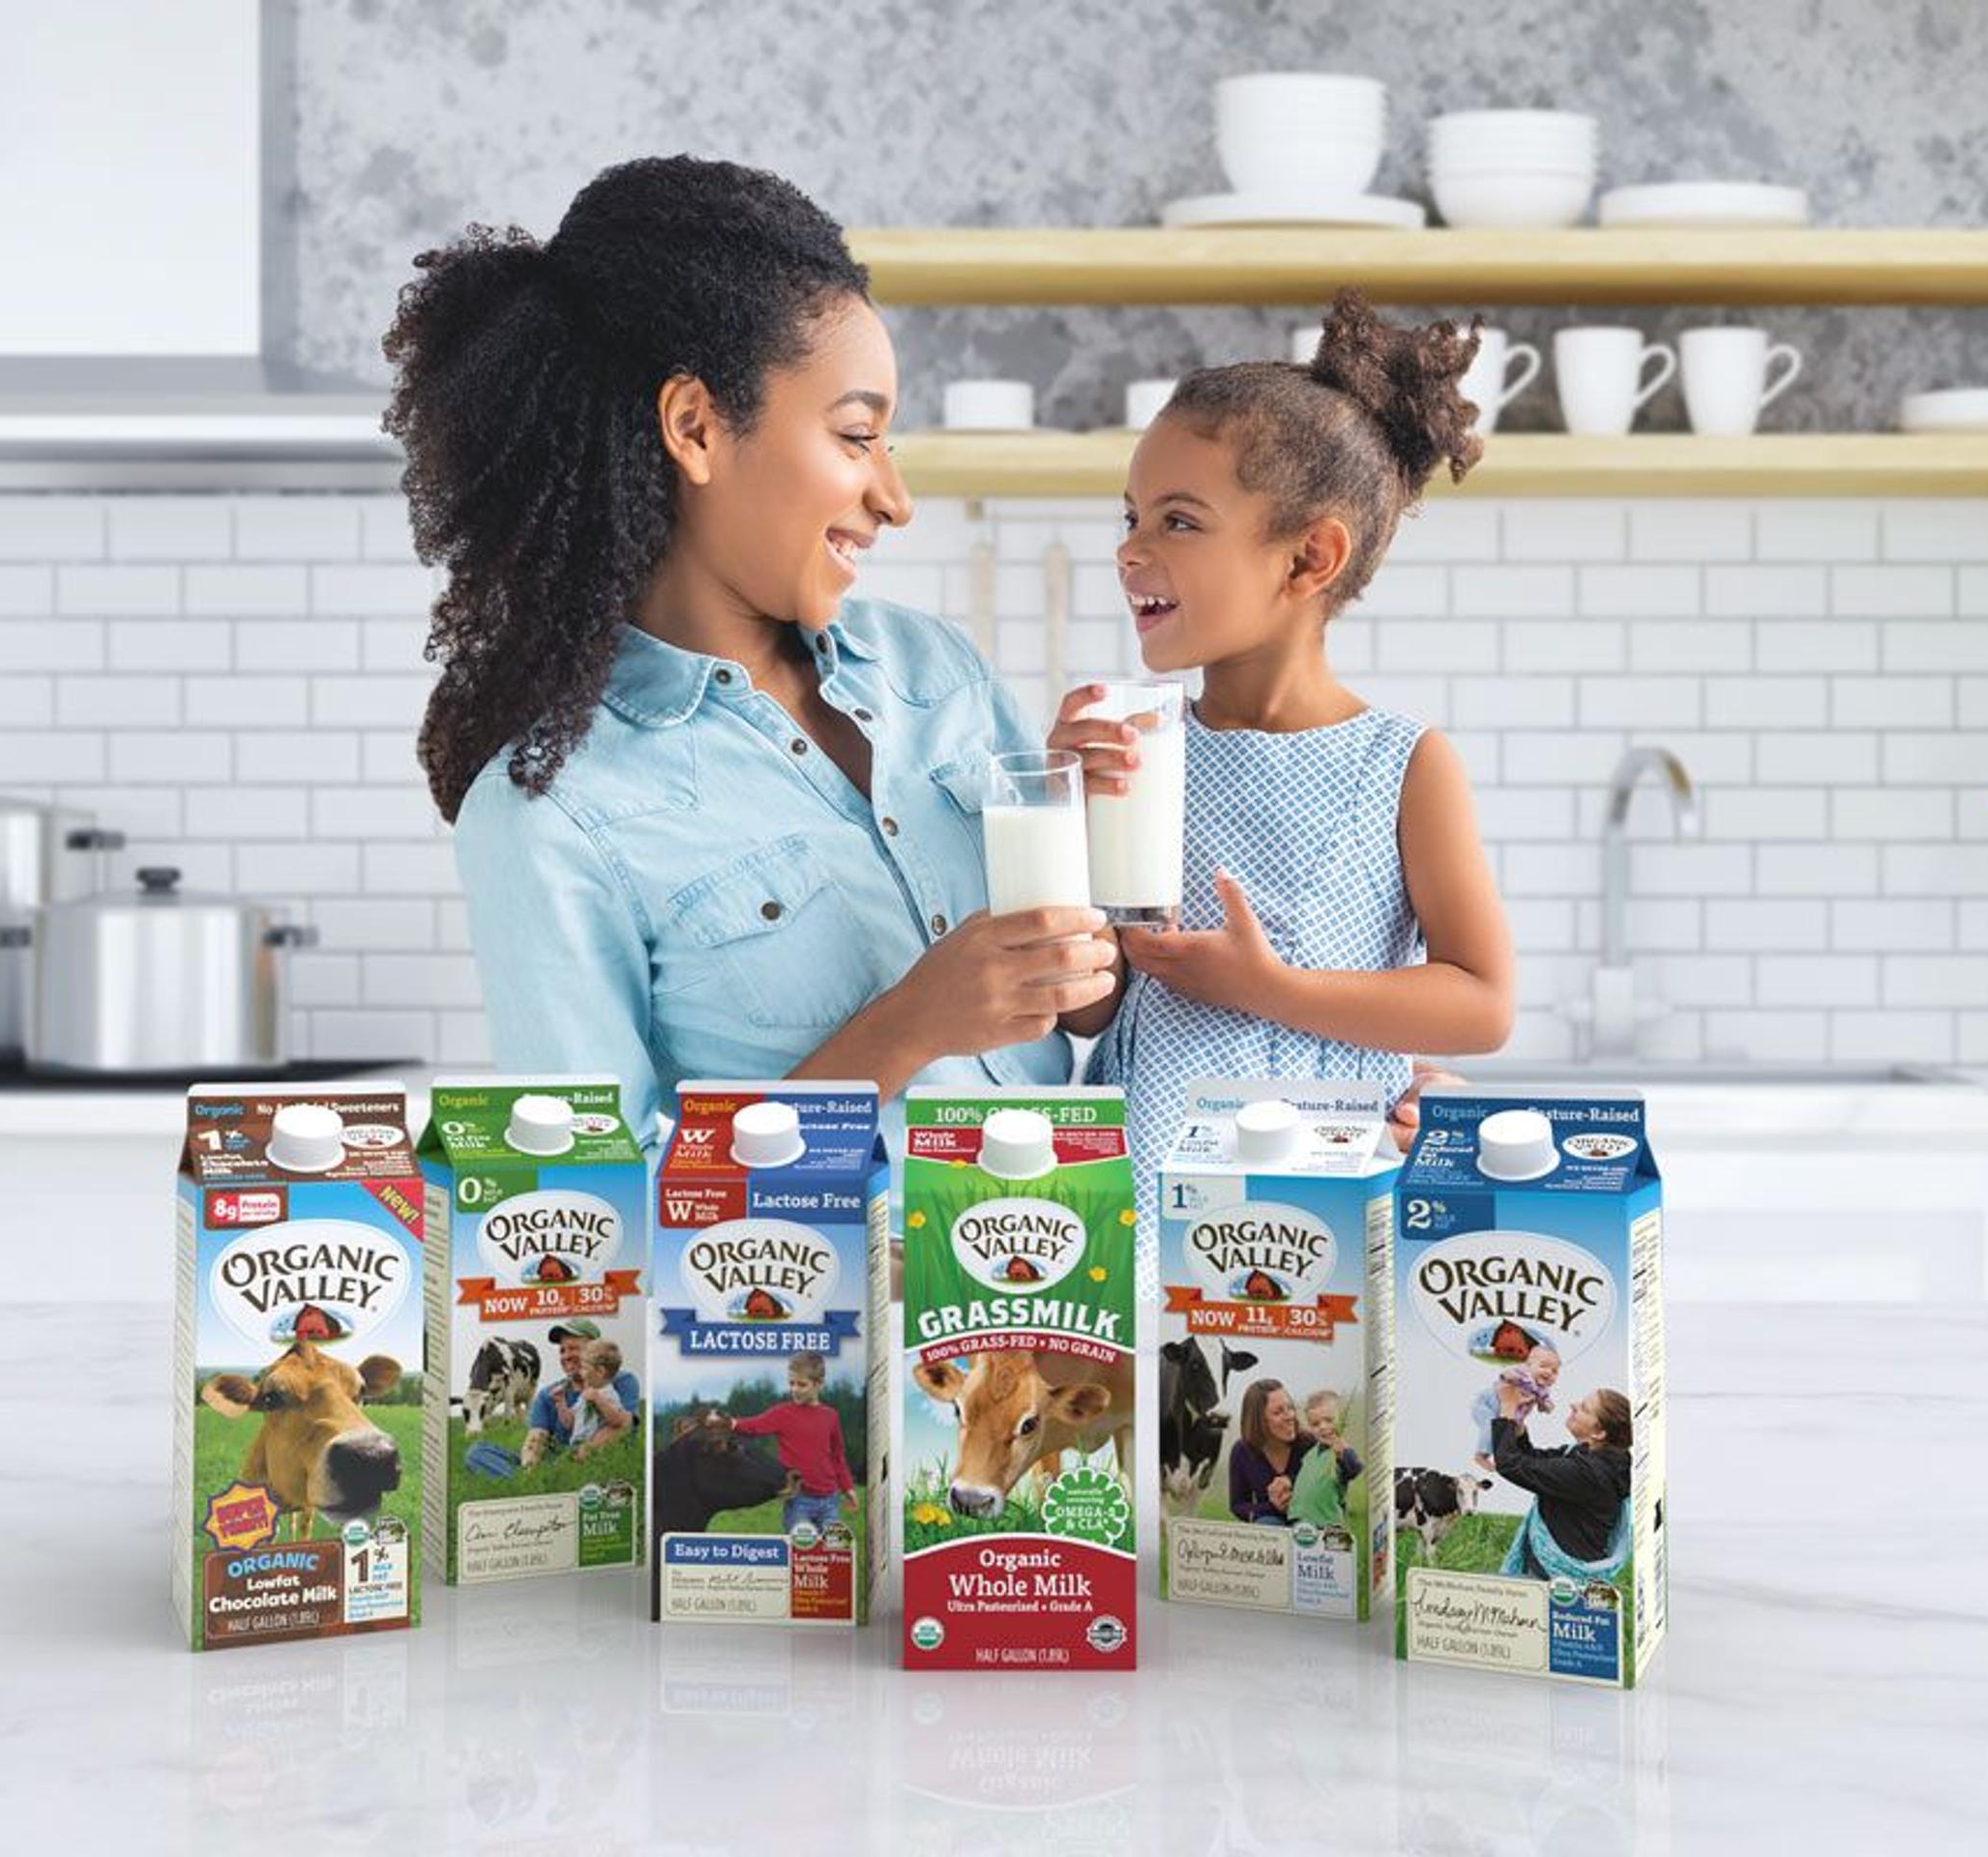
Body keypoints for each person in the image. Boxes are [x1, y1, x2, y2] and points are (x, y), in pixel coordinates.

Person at [386, 156, 1113, 1132]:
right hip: (801, 1287)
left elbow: (1084, 1008)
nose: (894, 499)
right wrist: (901, 1031)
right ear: (695, 426)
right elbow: (594, 1206)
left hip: (1060, 1268)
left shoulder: (935, 674)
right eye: (857, 438)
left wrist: (1087, 857)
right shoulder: (549, 816)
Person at [1048, 290, 1517, 1196]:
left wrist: (1268, 987)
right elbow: (1092, 1007)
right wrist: (1058, 817)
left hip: (1318, 1207)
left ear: (1308, 560)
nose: (1132, 549)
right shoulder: (1139, 747)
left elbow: (1482, 1003)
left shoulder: (1404, 764)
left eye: (1178, 521)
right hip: (1134, 1198)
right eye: (1130, 518)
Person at [1493, 1389, 1635, 1580]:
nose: (1573, 1405)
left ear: (1599, 1432)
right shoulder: (1586, 1456)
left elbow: (1511, 1465)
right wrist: (1517, 1430)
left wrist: (1507, 1411)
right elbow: (1533, 1461)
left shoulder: (1588, 1474)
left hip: (1556, 1580)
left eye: (1584, 1408)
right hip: (1558, 1571)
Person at [728, 1349, 855, 1536]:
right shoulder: (783, 1413)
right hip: (799, 1501)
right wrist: (730, 1423)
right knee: (800, 1554)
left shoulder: (831, 1416)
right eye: (791, 1383)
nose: (795, 1389)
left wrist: (848, 1487)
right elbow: (755, 1425)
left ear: (819, 1384)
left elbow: (837, 1456)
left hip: (830, 1500)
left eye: (802, 1384)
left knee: (833, 1553)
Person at [523, 1333, 639, 1465]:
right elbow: (569, 1422)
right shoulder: (579, 1395)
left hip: (594, 1451)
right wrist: (561, 1403)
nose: (566, 1356)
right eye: (562, 1350)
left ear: (600, 1371)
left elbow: (619, 1421)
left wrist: (598, 1400)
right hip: (574, 1445)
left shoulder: (609, 1392)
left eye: (573, 1348)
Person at [1223, 1378, 1305, 1526]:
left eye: (1290, 1407)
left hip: (1309, 1517)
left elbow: (1331, 1488)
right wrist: (1274, 1507)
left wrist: (1291, 1482)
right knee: (1267, 1524)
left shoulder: (1309, 1443)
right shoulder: (1241, 1451)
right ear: (1259, 1420)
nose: (1290, 1416)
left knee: (1304, 1527)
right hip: (1269, 1521)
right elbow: (1238, 1505)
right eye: (1278, 1412)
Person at [1469, 1346, 1561, 1474]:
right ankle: (1481, 1455)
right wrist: (1508, 1376)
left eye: (1555, 1371)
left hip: (1507, 1414)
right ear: (1529, 1365)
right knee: (1490, 1426)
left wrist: (1546, 1405)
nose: (1549, 1372)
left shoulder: (1542, 1390)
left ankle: (1498, 1456)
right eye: (1544, 1366)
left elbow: (1543, 1402)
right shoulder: (1524, 1373)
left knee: (1503, 1433)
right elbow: (1507, 1374)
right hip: (1488, 1403)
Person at [1284, 1389, 1362, 1532]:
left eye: (1329, 1420)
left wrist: (1343, 1454)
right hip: (1301, 1520)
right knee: (1300, 1553)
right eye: (1315, 1424)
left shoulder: (1340, 1449)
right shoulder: (1310, 1455)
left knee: (1331, 1554)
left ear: (1341, 1419)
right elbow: (1307, 1480)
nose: (1323, 1427)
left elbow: (1354, 1469)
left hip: (1328, 1523)